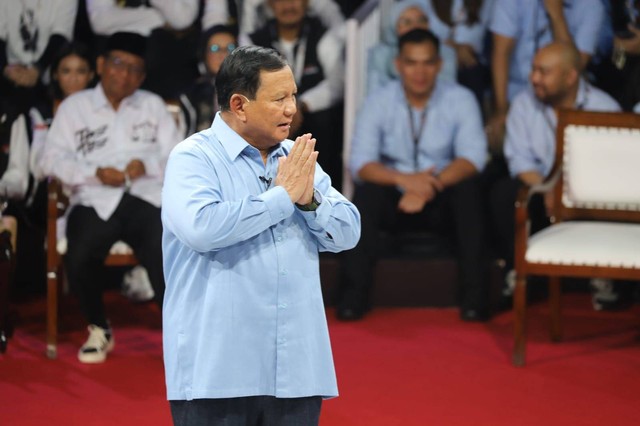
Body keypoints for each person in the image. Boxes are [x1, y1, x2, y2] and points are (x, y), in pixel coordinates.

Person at [161, 45, 360, 425]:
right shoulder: (193, 158)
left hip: (296, 369)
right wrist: (282, 198)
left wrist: (309, 202)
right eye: (279, 98)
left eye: (294, 96)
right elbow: (203, 227)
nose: (291, 108)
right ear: (239, 104)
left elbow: (348, 232)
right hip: (216, 373)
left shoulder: (295, 158)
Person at [41, 32, 181, 363]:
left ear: (143, 76)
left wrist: (143, 164)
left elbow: (179, 156)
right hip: (92, 197)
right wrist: (94, 172)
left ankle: (179, 333)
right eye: (118, 64)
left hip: (144, 197)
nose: (125, 74)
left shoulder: (152, 105)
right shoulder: (75, 107)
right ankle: (98, 327)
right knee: (80, 252)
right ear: (101, 66)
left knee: (167, 247)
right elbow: (49, 160)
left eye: (135, 69)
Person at [337, 29, 489, 322]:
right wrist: (406, 181)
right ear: (398, 65)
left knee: (469, 191)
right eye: (411, 62)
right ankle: (352, 296)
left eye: (428, 63)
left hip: (441, 191)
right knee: (366, 194)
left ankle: (476, 299)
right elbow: (361, 163)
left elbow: (473, 158)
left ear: (439, 65)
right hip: (398, 193)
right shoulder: (379, 101)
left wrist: (430, 185)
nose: (420, 72)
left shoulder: (460, 99)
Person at [488, 41, 620, 302]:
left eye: (544, 72)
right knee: (505, 193)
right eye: (533, 69)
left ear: (570, 77)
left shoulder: (605, 108)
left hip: (591, 195)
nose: (534, 78)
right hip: (542, 189)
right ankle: (520, 273)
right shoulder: (524, 105)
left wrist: (568, 194)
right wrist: (549, 190)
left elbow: (613, 171)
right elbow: (520, 161)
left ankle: (606, 278)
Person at [244, 0, 346, 189]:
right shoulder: (252, 40)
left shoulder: (323, 35)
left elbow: (337, 84)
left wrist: (301, 105)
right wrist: (281, 108)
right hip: (268, 114)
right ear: (271, 5)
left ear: (307, 3)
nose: (288, 5)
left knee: (325, 120)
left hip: (311, 121)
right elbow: (249, 86)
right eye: (280, 1)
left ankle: (325, 194)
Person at [486, 0, 605, 152]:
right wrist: (501, 110)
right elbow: (501, 53)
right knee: (502, 141)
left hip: (563, 97)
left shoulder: (590, 6)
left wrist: (556, 14)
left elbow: (574, 67)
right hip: (514, 93)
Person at [0, 0, 78, 115]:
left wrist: (37, 69)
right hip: (11, 73)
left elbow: (61, 35)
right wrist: (5, 68)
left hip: (49, 75)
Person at [180, 24, 238, 136]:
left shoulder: (252, 91)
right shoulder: (191, 95)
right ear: (204, 55)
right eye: (215, 48)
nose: (223, 54)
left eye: (230, 48)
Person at [366, 0, 433, 95]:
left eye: (421, 20)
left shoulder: (444, 53)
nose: (415, 27)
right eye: (406, 22)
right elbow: (374, 93)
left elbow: (445, 95)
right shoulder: (380, 55)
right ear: (393, 25)